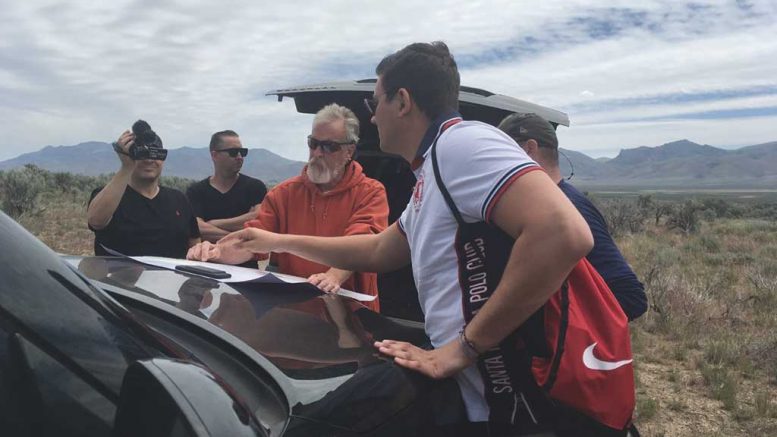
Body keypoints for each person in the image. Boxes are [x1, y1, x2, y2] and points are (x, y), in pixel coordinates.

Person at [188, 42, 598, 433]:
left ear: (402, 101)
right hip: (475, 390)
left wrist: (463, 348)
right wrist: (276, 241)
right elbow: (381, 248)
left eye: (375, 103)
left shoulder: (462, 143)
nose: (372, 118)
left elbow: (563, 233)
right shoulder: (433, 168)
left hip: (505, 389)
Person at [189, 104, 388, 312]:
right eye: (313, 143)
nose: (317, 153)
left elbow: (361, 245)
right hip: (295, 316)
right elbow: (251, 243)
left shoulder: (370, 192)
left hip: (352, 317)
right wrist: (215, 252)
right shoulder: (283, 194)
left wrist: (333, 276)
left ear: (349, 151)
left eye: (329, 147)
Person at [498, 113, 647, 321]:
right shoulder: (541, 203)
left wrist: (556, 324)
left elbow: (630, 297)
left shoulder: (569, 206)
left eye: (502, 151)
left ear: (529, 149)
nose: (495, 162)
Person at [87, 120, 200, 258]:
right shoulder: (111, 197)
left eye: (156, 153)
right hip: (117, 272)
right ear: (131, 156)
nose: (149, 160)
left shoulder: (179, 199)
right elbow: (96, 221)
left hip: (171, 272)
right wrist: (126, 166)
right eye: (142, 154)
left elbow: (194, 241)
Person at [186, 130, 267, 244]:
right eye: (233, 152)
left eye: (242, 152)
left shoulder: (255, 187)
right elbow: (196, 227)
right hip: (208, 255)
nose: (239, 157)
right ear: (214, 155)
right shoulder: (196, 192)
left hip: (245, 256)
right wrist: (239, 238)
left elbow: (260, 220)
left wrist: (213, 224)